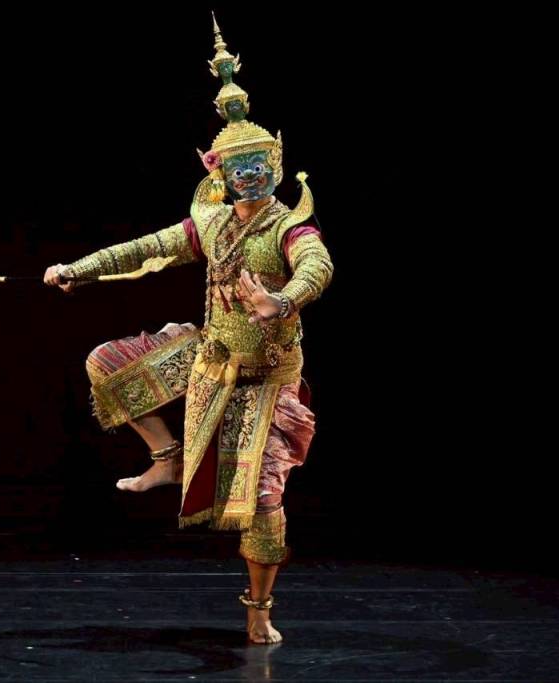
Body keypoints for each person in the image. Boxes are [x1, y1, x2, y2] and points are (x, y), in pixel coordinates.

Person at [43, 15, 333, 644]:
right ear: (217, 171)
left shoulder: (290, 227)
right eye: (238, 167)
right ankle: (166, 457)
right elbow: (146, 247)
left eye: (258, 164)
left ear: (277, 163)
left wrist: (281, 301)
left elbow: (318, 266)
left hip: (265, 383)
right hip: (210, 359)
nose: (249, 176)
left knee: (263, 504)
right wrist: (78, 269)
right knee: (105, 364)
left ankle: (259, 612)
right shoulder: (212, 224)